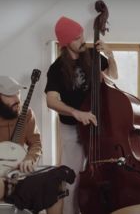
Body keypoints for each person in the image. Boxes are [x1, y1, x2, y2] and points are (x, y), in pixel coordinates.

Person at [44, 16, 118, 214]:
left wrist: (111, 56)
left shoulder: (92, 55)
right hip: (71, 129)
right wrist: (76, 112)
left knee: (99, 175)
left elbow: (113, 77)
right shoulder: (57, 68)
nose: (82, 40)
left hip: (96, 125)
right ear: (66, 43)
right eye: (77, 38)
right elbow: (51, 101)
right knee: (72, 181)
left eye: (82, 35)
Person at [0, 76, 63, 213]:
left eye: (18, 93)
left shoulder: (26, 113)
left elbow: (35, 143)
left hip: (18, 171)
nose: (17, 99)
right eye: (10, 95)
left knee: (55, 182)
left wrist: (29, 160)